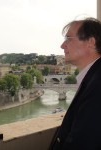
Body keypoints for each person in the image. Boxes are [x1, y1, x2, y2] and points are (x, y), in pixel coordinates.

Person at [50, 17, 101, 150]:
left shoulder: (98, 85)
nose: (62, 45)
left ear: (91, 42)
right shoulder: (93, 77)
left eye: (68, 39)